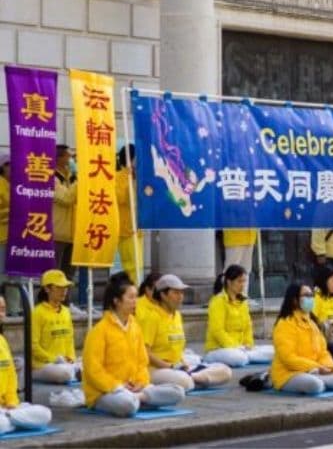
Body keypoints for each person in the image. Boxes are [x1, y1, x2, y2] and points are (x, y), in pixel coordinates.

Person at [82, 273, 185, 417]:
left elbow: (142, 362)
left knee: (178, 391)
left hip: (134, 388)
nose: (135, 301)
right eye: (130, 297)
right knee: (127, 405)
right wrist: (118, 386)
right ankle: (140, 400)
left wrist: (140, 382)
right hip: (106, 392)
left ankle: (139, 399)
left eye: (136, 297)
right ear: (117, 301)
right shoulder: (99, 331)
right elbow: (93, 370)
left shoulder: (135, 327)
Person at [140, 274, 232, 391]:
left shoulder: (177, 315)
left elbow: (178, 350)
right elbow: (144, 352)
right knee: (184, 381)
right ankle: (195, 379)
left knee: (226, 371)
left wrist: (183, 365)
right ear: (163, 295)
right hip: (156, 369)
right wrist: (170, 366)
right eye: (176, 293)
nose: (181, 297)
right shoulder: (152, 317)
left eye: (182, 293)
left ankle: (194, 377)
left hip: (179, 367)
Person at [271, 283, 333, 395]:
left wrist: (329, 367)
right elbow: (288, 358)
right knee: (315, 385)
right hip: (290, 373)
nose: (310, 299)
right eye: (306, 295)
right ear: (295, 300)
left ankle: (322, 380)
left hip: (316, 371)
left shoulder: (312, 324)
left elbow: (323, 352)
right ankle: (322, 381)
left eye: (311, 295)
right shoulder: (285, 324)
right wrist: (317, 368)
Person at [0, 296, 53, 433]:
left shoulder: (2, 341)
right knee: (2, 424)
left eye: (3, 310)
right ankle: (11, 420)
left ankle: (9, 418)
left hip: (6, 408)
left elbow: (11, 377)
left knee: (45, 414)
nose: (2, 314)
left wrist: (11, 402)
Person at [204, 265, 273, 367]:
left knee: (275, 351)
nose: (243, 285)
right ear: (229, 282)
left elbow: (247, 327)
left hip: (241, 349)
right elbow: (217, 331)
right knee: (239, 358)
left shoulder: (242, 301)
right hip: (219, 349)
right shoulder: (218, 301)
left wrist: (248, 345)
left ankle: (248, 355)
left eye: (244, 281)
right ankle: (248, 356)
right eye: (239, 281)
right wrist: (235, 347)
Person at [32, 270, 78, 384]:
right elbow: (33, 345)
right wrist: (54, 359)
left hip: (64, 363)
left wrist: (71, 358)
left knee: (89, 365)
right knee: (64, 373)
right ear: (47, 289)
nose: (64, 291)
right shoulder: (37, 313)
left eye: (65, 287)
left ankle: (74, 371)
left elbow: (69, 340)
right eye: (59, 287)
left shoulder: (66, 312)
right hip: (42, 365)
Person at [53, 145, 79, 299]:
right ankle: (49, 303)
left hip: (73, 233)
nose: (71, 159)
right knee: (55, 274)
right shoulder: (51, 178)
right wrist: (79, 179)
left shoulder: (70, 177)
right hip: (58, 233)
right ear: (59, 158)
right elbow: (66, 199)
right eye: (68, 156)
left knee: (69, 275)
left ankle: (66, 304)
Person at [115, 145, 143, 285]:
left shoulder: (140, 176)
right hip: (125, 230)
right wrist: (130, 180)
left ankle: (134, 295)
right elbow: (121, 198)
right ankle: (134, 297)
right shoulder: (118, 177)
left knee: (137, 266)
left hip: (137, 229)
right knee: (132, 267)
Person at [0, 154, 20, 315]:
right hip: (2, 237)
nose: (12, 168)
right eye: (8, 165)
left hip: (17, 238)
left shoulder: (17, 185)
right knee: (2, 275)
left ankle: (13, 309)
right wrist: (14, 211)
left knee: (15, 274)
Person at [222, 229, 256, 295]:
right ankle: (227, 299)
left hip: (250, 236)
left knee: (245, 271)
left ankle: (242, 298)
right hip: (235, 236)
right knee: (230, 271)